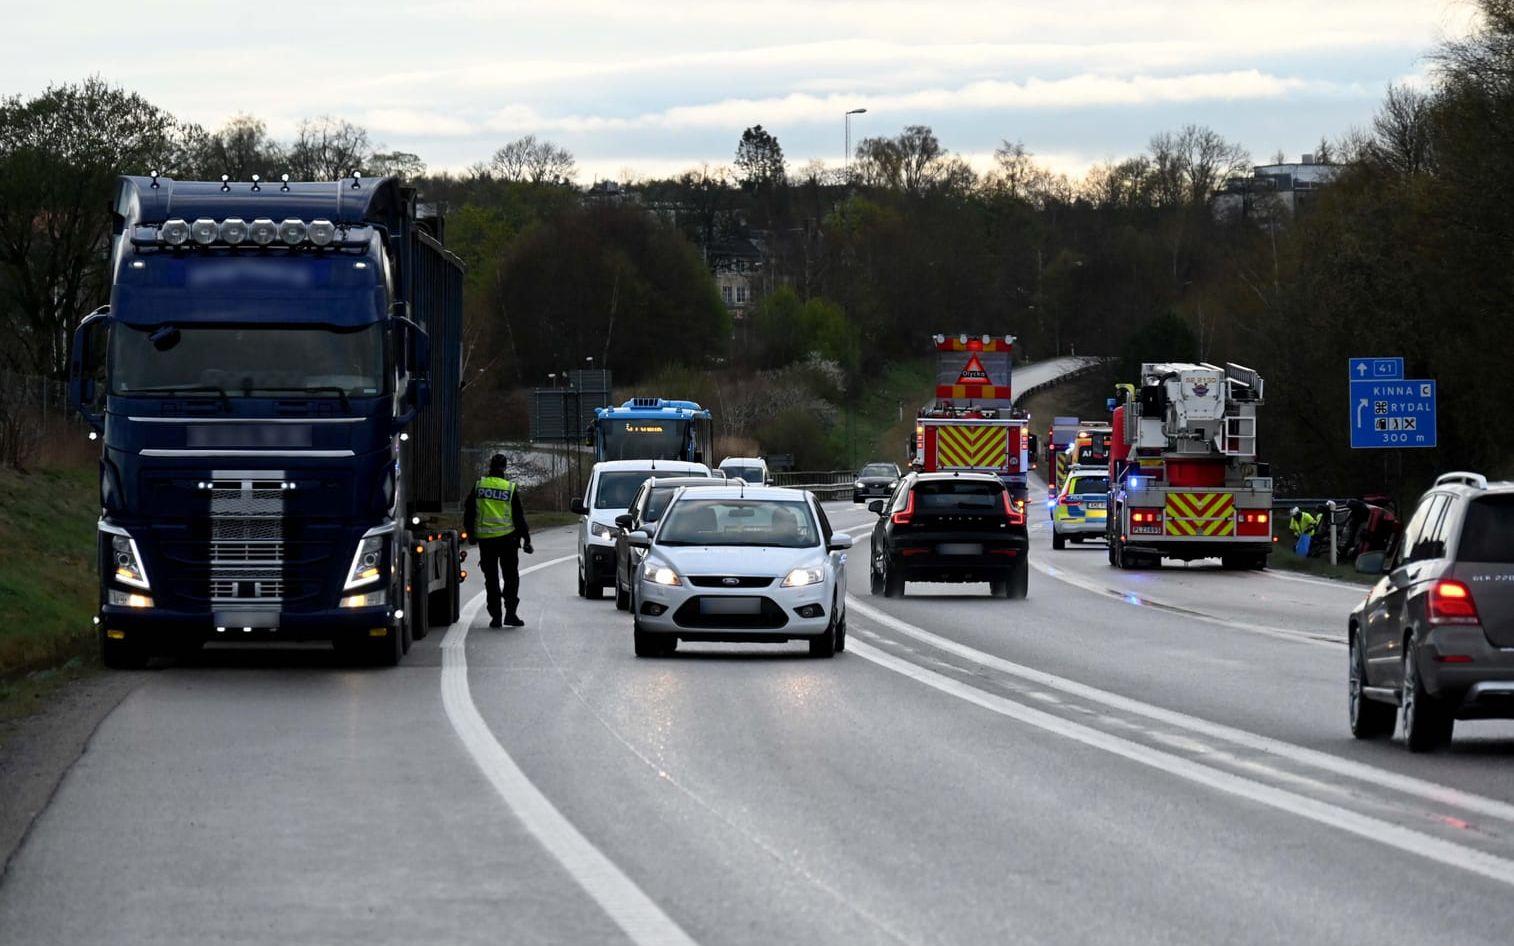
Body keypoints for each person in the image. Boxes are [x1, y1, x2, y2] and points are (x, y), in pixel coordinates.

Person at [464, 453, 533, 628]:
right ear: (505, 468)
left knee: (491, 579)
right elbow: (518, 517)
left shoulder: (479, 485)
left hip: (486, 541)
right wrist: (526, 540)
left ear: (490, 466)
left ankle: (495, 617)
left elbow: (469, 511)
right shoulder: (509, 488)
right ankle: (510, 614)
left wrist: (471, 534)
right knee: (511, 578)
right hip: (508, 540)